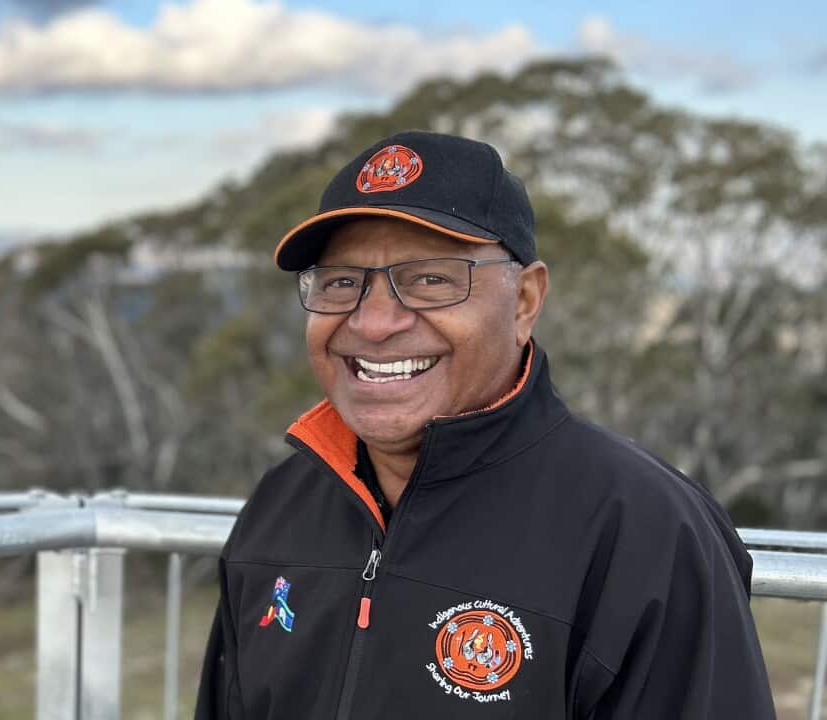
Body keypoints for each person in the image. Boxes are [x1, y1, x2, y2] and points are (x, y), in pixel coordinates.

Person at [193, 131, 776, 719]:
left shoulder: (645, 530)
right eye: (342, 282)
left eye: (430, 279)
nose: (372, 323)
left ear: (525, 301)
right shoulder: (280, 508)